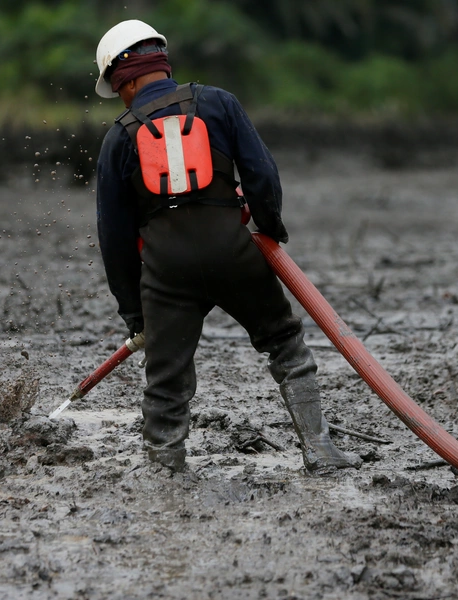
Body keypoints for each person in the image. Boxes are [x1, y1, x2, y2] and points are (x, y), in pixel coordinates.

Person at [93, 20, 361, 473]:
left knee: (166, 381)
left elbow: (114, 238)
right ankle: (320, 450)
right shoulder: (218, 103)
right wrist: (269, 230)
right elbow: (262, 176)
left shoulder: (119, 137)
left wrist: (135, 313)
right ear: (161, 62)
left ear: (126, 78)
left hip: (167, 271)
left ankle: (164, 469)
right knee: (285, 344)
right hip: (233, 250)